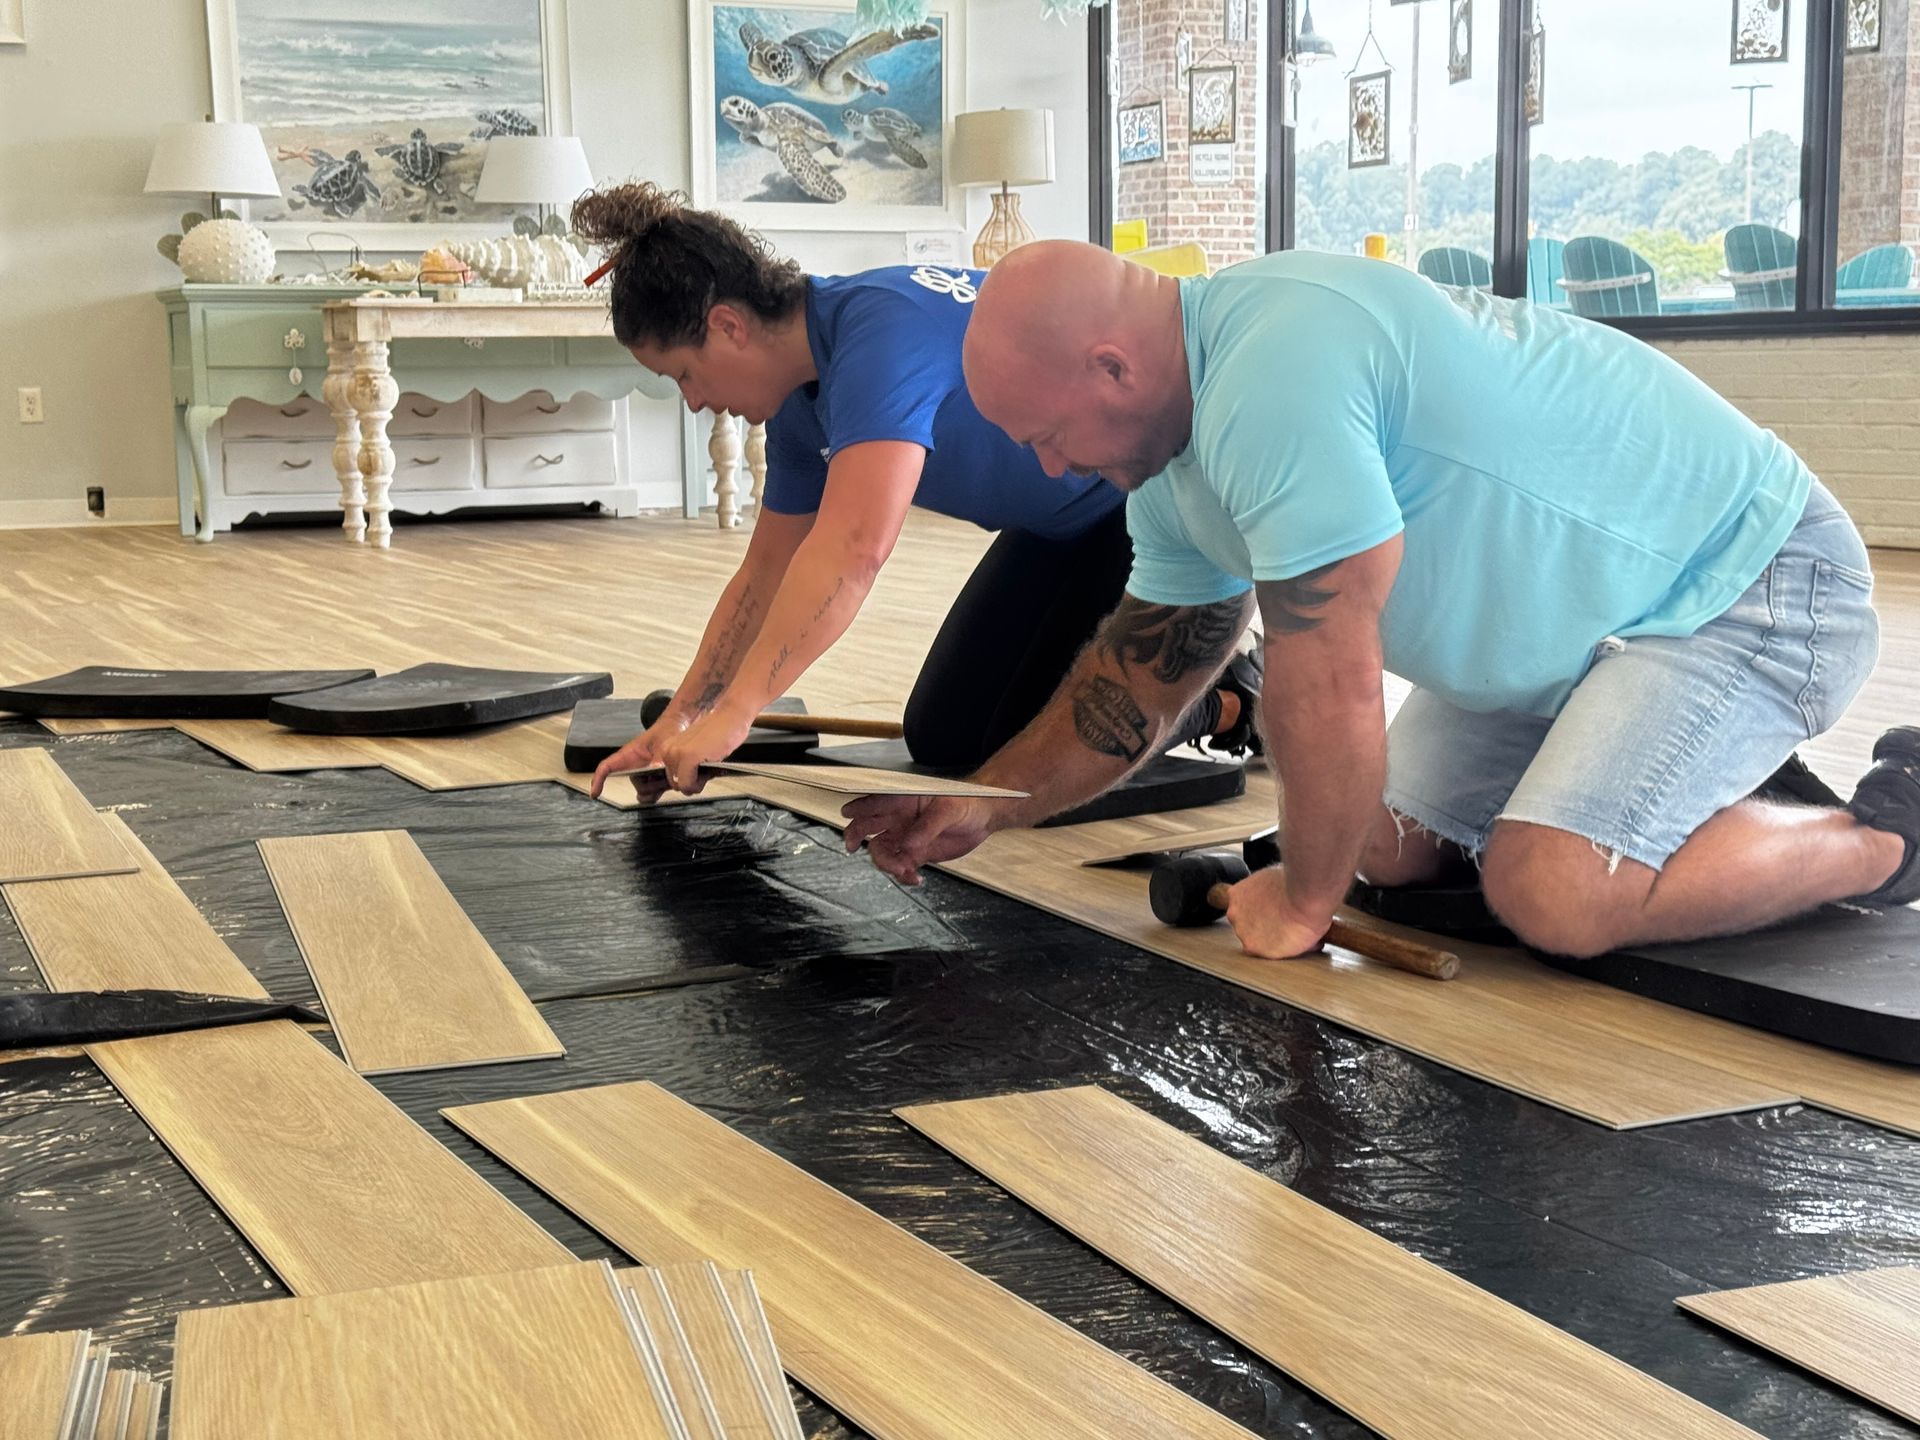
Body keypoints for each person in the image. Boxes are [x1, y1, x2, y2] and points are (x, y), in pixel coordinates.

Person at [842, 240, 1919, 962]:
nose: (1049, 468)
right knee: (1384, 846)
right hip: (1581, 639)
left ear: (1113, 368)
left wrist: (1303, 903)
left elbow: (1331, 680)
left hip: (1749, 585)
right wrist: (985, 802)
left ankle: (1888, 838)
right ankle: (1685, 783)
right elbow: (1142, 675)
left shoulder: (1277, 369)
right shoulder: (1167, 463)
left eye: (1046, 436)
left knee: (1551, 892)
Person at [572, 187, 1261, 799]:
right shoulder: (797, 404)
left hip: (1139, 511)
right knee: (943, 741)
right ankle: (1204, 687)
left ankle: (1225, 696)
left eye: (684, 375)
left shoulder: (878, 334)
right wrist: (679, 719)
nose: (694, 402)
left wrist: (735, 715)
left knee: (1024, 765)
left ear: (728, 325)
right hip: (1052, 528)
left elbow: (853, 554)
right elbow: (766, 573)